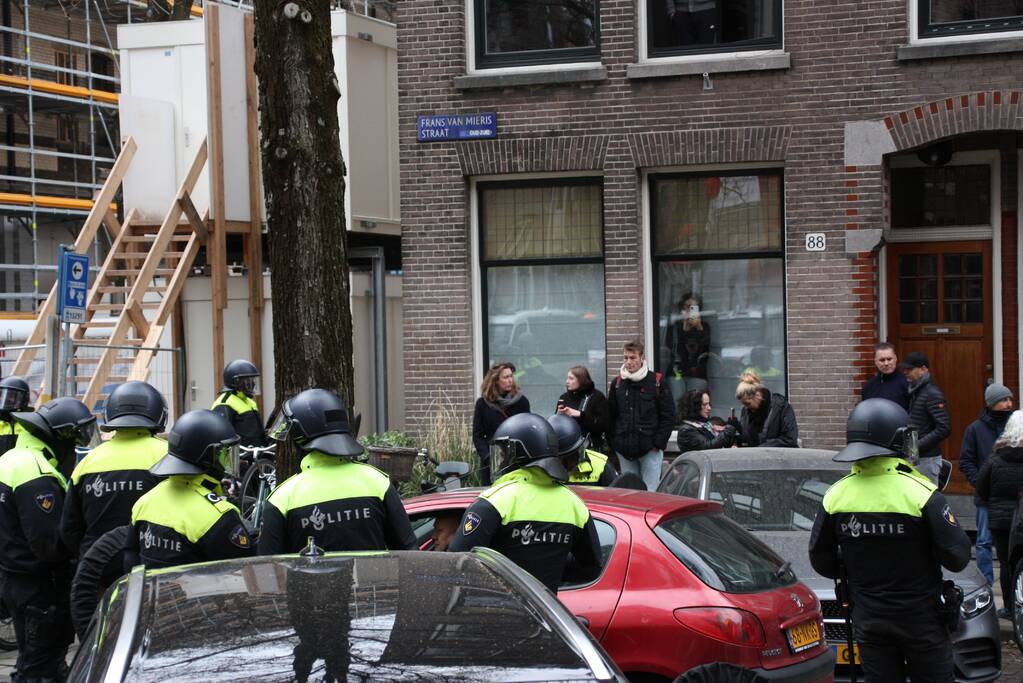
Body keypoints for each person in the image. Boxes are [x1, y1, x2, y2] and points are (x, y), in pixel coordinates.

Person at [808, 398, 971, 683]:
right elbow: (957, 557)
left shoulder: (836, 495)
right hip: (922, 622)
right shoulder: (921, 493)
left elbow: (820, 559)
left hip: (869, 620)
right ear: (895, 441)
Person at [448, 413, 602, 592]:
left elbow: (456, 563)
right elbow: (591, 568)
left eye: (503, 452)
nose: (500, 458)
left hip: (494, 613)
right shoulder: (575, 505)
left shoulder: (494, 502)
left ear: (517, 455)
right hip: (545, 615)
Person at [0, 397, 95, 682]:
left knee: (33, 658)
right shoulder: (37, 474)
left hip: (14, 577)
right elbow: (49, 545)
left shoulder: (11, 459)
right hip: (39, 588)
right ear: (61, 435)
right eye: (77, 435)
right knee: (40, 667)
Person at [258, 388, 416, 554]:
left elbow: (266, 569)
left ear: (299, 436)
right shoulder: (377, 482)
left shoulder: (282, 498)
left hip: (308, 581)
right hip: (372, 581)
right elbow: (409, 552)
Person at [128, 409, 254, 569]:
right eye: (225, 454)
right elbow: (246, 568)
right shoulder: (218, 516)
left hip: (150, 592)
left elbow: (130, 559)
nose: (229, 460)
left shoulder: (145, 501)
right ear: (209, 458)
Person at [62, 381, 168, 560]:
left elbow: (70, 529)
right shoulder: (169, 457)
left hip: (97, 567)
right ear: (160, 415)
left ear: (109, 414)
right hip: (151, 564)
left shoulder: (87, 463)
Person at [959, 383, 1013, 588]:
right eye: (1003, 400)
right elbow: (966, 461)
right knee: (983, 541)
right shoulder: (975, 429)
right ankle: (986, 584)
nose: (1008, 404)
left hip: (1012, 495)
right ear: (991, 403)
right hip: (987, 496)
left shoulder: (1016, 426)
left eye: (1009, 399)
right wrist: (980, 483)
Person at [607, 339, 675, 491]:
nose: (628, 362)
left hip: (650, 449)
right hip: (624, 450)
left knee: (650, 495)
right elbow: (611, 415)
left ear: (642, 358)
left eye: (633, 358)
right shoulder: (617, 383)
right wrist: (615, 442)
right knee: (630, 495)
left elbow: (668, 415)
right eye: (625, 358)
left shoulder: (656, 381)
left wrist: (657, 443)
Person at [975, 410, 1023, 621]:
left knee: (1006, 563)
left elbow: (981, 488)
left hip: (1001, 520)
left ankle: (1010, 607)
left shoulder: (995, 458)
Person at [472, 362, 530, 485]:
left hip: (516, 465)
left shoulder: (522, 402)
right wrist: (488, 458)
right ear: (495, 381)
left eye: (511, 376)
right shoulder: (482, 404)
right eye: (505, 377)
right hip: (491, 464)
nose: (510, 380)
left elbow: (527, 431)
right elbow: (478, 436)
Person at [900, 352, 950, 485]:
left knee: (926, 501)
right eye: (904, 369)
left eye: (909, 369)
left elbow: (944, 428)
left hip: (927, 460)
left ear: (923, 369)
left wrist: (916, 446)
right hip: (915, 457)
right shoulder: (916, 391)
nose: (905, 372)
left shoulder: (932, 394)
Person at [547, 413, 617, 486]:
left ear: (580, 450)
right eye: (561, 460)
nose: (568, 465)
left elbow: (617, 494)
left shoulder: (600, 465)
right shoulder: (537, 470)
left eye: (570, 457)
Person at [211, 359, 266, 448]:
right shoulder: (224, 403)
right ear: (235, 382)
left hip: (257, 454)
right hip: (240, 458)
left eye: (253, 380)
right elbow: (222, 436)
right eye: (247, 381)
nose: (252, 384)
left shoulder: (249, 401)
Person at [735, 370, 798, 447]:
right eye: (743, 404)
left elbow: (789, 439)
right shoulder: (746, 411)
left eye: (748, 403)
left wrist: (761, 449)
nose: (746, 407)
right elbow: (747, 440)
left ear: (758, 396)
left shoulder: (780, 406)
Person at [556, 365, 610, 454]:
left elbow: (602, 425)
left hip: (591, 449)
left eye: (571, 378)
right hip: (568, 449)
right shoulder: (564, 398)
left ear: (581, 380)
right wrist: (558, 415)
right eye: (567, 378)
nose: (567, 381)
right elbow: (557, 426)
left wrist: (580, 414)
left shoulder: (597, 397)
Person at [860, 342, 909, 410]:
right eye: (882, 360)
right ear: (875, 361)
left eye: (889, 359)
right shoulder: (869, 386)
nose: (886, 363)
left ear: (895, 358)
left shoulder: (907, 383)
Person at [0, 375, 30, 455]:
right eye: (1, 395)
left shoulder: (28, 427)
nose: (6, 399)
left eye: (11, 396)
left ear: (23, 400)